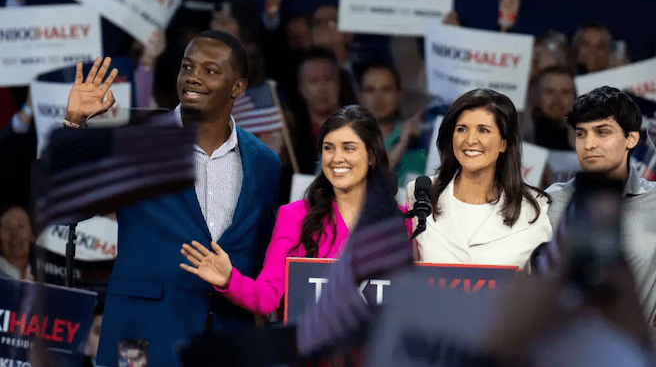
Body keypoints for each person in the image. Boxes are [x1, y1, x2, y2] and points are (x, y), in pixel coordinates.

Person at [64, 30, 282, 367]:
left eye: (210, 70)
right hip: (143, 336)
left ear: (238, 87)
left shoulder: (266, 164)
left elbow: (260, 257)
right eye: (187, 67)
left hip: (228, 340)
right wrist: (74, 123)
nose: (193, 76)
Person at [179, 105, 392, 316]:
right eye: (329, 148)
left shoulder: (401, 221)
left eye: (349, 148)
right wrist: (229, 279)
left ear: (371, 155)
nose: (336, 158)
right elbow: (267, 297)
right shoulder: (296, 217)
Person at [542, 86, 656, 346]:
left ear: (631, 139)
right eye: (581, 134)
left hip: (637, 356)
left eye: (602, 132)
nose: (589, 144)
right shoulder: (551, 202)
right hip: (568, 355)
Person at [406, 89, 551, 268]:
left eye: (483, 130)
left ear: (503, 143)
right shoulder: (421, 193)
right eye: (462, 129)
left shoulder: (535, 207)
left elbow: (541, 285)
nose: (470, 139)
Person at [358, 63, 427, 187]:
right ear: (361, 97)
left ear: (399, 95)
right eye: (370, 90)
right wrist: (401, 144)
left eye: (386, 89)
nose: (378, 98)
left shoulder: (420, 142)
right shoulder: (344, 139)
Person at [523, 65, 575, 150]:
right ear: (538, 95)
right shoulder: (523, 139)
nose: (557, 99)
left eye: (565, 92)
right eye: (550, 92)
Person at [0, 204, 34, 280]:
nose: (14, 234)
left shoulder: (44, 275)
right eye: (8, 228)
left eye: (20, 226)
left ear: (32, 234)